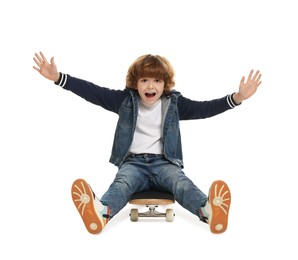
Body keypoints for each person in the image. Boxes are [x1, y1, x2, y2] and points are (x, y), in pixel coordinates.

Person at [33, 51, 262, 234]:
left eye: (156, 80)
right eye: (144, 80)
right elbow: (92, 92)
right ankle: (101, 213)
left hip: (165, 163)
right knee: (121, 186)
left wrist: (237, 98)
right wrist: (59, 78)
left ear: (165, 84)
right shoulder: (123, 100)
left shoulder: (174, 103)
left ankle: (209, 211)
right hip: (133, 164)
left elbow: (205, 109)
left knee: (182, 185)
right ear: (135, 83)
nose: (150, 86)